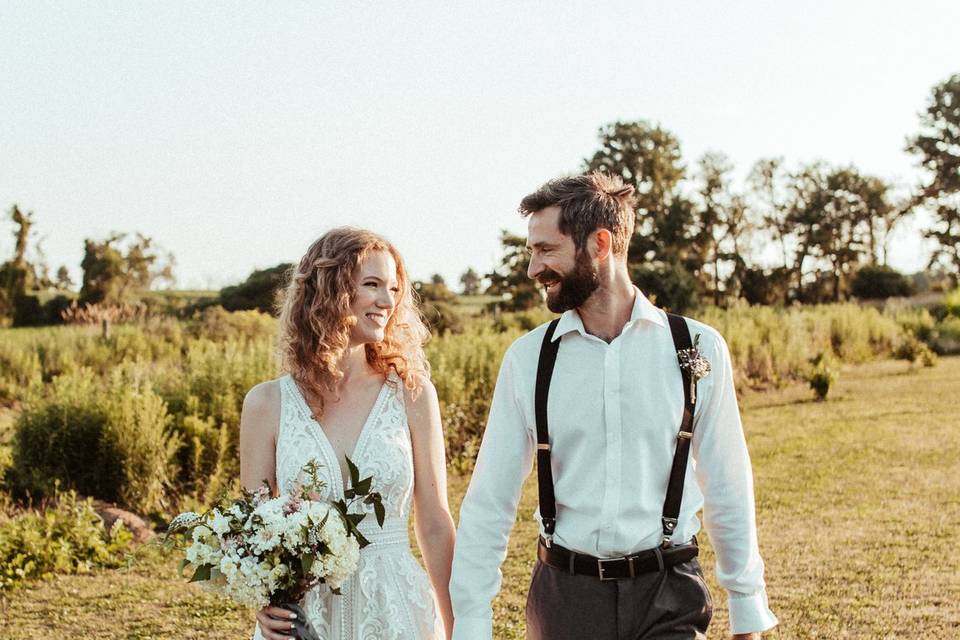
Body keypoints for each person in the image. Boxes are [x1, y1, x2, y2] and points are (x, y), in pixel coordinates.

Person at [449, 173, 778, 640]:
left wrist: (747, 606)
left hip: (669, 592)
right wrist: (473, 623)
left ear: (599, 244)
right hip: (566, 599)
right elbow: (489, 501)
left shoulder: (698, 347)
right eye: (531, 251)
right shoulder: (529, 360)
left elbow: (727, 481)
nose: (532, 268)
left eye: (546, 250)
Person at [240, 227, 455, 640]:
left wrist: (458, 624)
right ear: (329, 290)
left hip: (395, 608)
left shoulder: (412, 394)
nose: (387, 301)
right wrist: (264, 604)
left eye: (393, 288)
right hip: (303, 615)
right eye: (372, 285)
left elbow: (433, 521)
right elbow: (257, 530)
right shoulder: (266, 404)